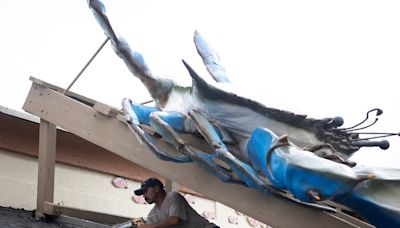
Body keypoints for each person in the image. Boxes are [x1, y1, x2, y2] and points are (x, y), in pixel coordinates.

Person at [134, 177, 219, 228]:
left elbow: (174, 220)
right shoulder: (152, 215)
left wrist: (150, 227)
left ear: (156, 188)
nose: (144, 196)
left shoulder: (173, 197)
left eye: (145, 191)